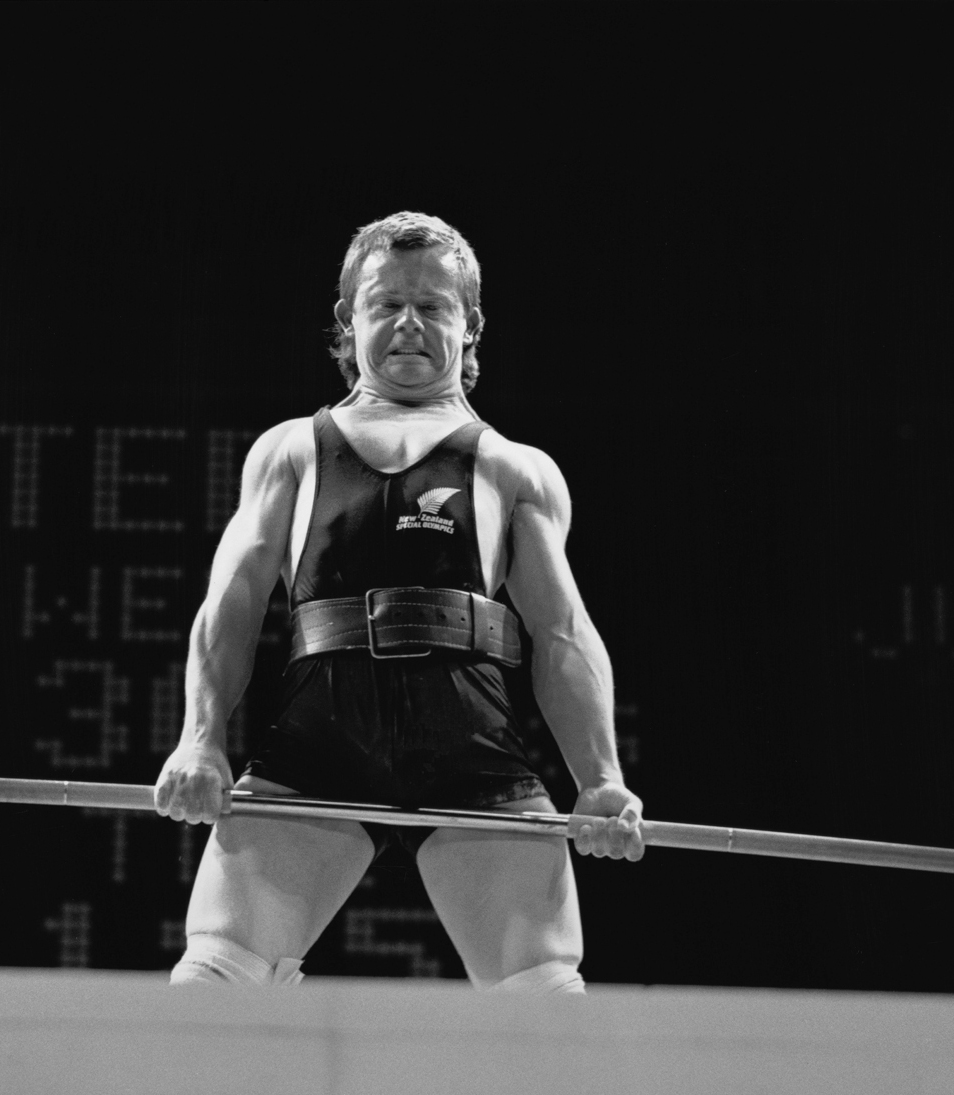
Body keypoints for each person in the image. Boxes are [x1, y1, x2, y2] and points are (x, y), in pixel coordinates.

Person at [153, 211, 644, 994]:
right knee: (211, 987)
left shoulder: (514, 469)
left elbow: (561, 633)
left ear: (469, 324)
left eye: (432, 305)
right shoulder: (289, 450)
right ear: (348, 318)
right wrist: (199, 740)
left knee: (546, 1011)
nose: (408, 322)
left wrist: (601, 778)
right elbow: (231, 604)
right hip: (317, 747)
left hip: (469, 747)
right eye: (386, 303)